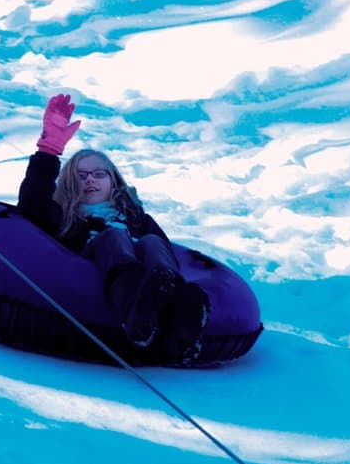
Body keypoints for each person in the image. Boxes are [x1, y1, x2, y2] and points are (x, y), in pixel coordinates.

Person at [17, 93, 210, 364]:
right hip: (97, 273)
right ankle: (136, 315)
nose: (90, 181)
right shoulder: (64, 215)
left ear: (114, 180)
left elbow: (165, 248)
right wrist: (49, 149)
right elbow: (31, 205)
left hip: (150, 275)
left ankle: (179, 311)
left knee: (151, 243)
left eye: (99, 174)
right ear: (70, 183)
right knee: (113, 238)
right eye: (80, 176)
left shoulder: (136, 217)